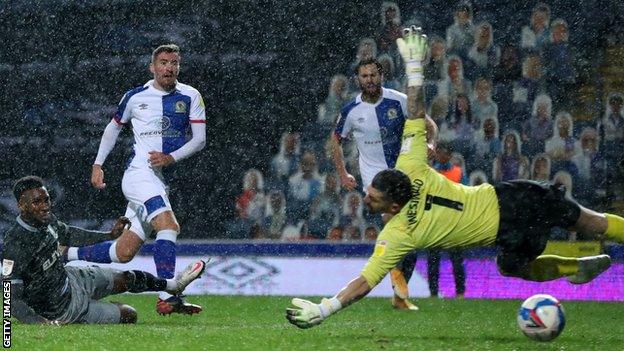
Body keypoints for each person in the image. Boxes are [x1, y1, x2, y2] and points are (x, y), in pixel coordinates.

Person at [286, 27, 624, 329]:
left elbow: (364, 281)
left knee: (589, 225)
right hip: (510, 213)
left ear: (393, 202)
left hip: (510, 202)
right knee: (511, 266)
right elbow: (416, 110)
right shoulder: (411, 165)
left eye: (373, 196)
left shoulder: (398, 233)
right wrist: (415, 67)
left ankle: (573, 267)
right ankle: (573, 269)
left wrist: (325, 309)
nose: (366, 198)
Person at [78, 44, 206, 315]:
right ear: (152, 67)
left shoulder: (191, 95)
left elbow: (200, 140)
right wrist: (98, 164)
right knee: (168, 226)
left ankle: (65, 253)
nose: (169, 67)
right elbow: (113, 128)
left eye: (174, 63)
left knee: (123, 252)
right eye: (163, 62)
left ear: (178, 67)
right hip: (139, 174)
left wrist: (171, 158)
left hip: (160, 180)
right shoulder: (135, 97)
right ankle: (167, 296)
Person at [2, 176, 206, 324]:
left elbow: (71, 234)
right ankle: (96, 309)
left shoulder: (47, 220)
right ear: (22, 206)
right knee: (129, 315)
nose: (45, 206)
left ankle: (172, 286)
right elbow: (9, 296)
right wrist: (37, 321)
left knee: (128, 278)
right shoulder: (15, 244)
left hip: (73, 279)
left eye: (46, 199)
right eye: (37, 202)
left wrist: (109, 235)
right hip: (63, 310)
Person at [332, 57, 437, 311]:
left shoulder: (398, 100)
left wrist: (432, 143)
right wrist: (343, 173)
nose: (369, 80)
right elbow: (335, 140)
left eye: (373, 75)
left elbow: (429, 124)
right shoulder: (350, 111)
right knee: (394, 225)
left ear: (381, 76)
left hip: (404, 173)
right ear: (358, 79)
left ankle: (399, 290)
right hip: (376, 180)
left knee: (409, 234)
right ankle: (397, 289)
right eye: (364, 76)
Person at [428, 142, 466, 298]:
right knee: (433, 261)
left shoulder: (458, 173)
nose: (440, 156)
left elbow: (465, 194)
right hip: (435, 222)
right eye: (438, 153)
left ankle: (460, 293)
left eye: (444, 154)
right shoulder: (430, 172)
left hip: (453, 222)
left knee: (457, 260)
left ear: (449, 156)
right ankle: (433, 293)